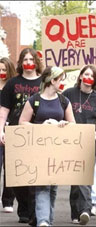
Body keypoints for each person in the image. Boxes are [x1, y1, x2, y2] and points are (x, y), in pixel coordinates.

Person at [18, 66, 75, 226]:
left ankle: (47, 220)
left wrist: (63, 124)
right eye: (61, 79)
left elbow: (73, 125)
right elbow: (22, 123)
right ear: (52, 80)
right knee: (42, 186)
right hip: (39, 150)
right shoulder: (34, 100)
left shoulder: (64, 101)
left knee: (53, 187)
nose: (63, 83)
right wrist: (42, 125)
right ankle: (43, 220)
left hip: (58, 151)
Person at [0, 48, 43, 224]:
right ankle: (23, 207)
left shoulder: (43, 83)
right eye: (24, 59)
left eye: (31, 59)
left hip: (38, 135)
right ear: (20, 62)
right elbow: (3, 111)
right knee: (15, 175)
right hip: (15, 134)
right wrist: (1, 130)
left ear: (36, 61)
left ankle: (33, 211)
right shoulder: (12, 84)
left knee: (35, 175)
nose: (27, 62)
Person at [63, 65, 96, 225]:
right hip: (71, 141)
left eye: (92, 75)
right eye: (86, 74)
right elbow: (60, 111)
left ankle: (85, 210)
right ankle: (76, 213)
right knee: (76, 179)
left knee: (85, 176)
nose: (89, 77)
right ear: (81, 76)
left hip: (90, 142)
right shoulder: (69, 94)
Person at [0, 57, 17, 213]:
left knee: (10, 167)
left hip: (11, 130)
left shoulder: (13, 87)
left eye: (4, 70)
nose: (1, 73)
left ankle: (8, 201)